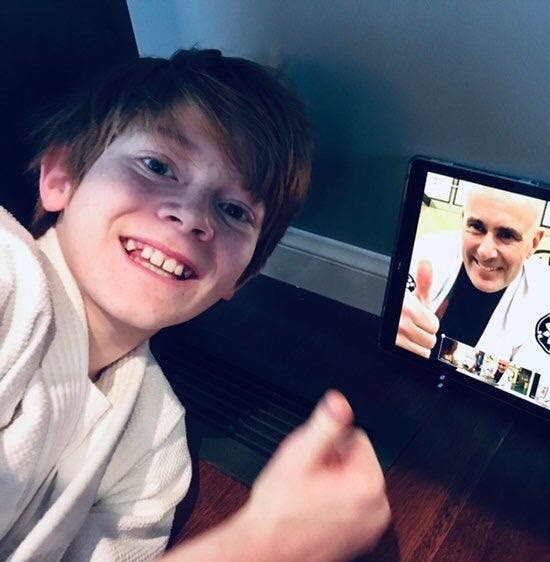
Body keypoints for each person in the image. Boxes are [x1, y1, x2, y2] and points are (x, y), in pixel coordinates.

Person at [0, 49, 389, 561]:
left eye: (233, 210)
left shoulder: (156, 441)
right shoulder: (8, 278)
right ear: (60, 178)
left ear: (242, 279)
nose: (191, 217)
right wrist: (259, 546)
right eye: (157, 166)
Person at [396, 185, 550, 382]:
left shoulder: (549, 291)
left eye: (507, 235)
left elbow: (534, 387)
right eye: (477, 227)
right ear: (463, 219)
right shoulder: (426, 251)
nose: (485, 252)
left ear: (534, 242)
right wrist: (393, 323)